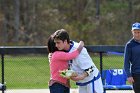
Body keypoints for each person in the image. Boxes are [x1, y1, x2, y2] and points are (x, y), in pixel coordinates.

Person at [52, 29, 103, 93]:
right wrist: (69, 74)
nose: (56, 45)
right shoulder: (61, 51)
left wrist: (81, 76)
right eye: (55, 43)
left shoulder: (78, 50)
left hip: (92, 81)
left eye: (58, 43)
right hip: (82, 83)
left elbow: (91, 68)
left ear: (65, 41)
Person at [124, 22, 140, 93]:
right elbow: (126, 62)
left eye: (139, 32)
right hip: (136, 75)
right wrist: (129, 75)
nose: (137, 34)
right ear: (132, 32)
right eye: (135, 32)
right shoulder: (129, 45)